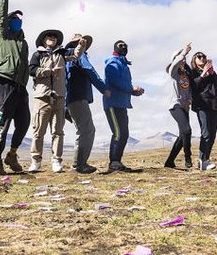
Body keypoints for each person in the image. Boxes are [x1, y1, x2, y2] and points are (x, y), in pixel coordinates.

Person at [27, 29, 86, 173]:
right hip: (42, 97)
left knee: (58, 132)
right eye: (49, 36)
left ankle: (56, 161)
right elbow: (31, 70)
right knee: (38, 131)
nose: (52, 38)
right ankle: (36, 161)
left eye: (54, 37)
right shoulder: (37, 54)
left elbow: (75, 55)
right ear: (43, 40)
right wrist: (48, 71)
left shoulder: (61, 53)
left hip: (59, 97)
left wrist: (81, 46)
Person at [0, 0, 30, 176]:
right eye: (14, 18)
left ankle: (12, 154)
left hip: (21, 86)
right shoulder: (4, 36)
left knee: (24, 122)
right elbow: (0, 16)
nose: (17, 21)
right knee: (3, 123)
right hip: (5, 83)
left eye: (19, 19)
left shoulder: (24, 43)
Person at [64, 35, 109, 174]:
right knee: (87, 130)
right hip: (78, 96)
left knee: (83, 130)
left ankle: (79, 163)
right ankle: (79, 164)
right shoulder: (78, 55)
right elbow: (90, 71)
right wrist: (104, 89)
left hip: (70, 98)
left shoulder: (67, 57)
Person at [102, 39, 145, 172]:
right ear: (115, 48)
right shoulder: (113, 62)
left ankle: (117, 162)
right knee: (118, 133)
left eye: (126, 46)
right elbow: (115, 81)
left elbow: (122, 85)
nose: (124, 47)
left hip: (122, 103)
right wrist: (132, 88)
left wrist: (133, 92)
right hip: (112, 103)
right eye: (121, 46)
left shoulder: (124, 64)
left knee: (124, 133)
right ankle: (114, 162)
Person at [189, 51, 217, 171]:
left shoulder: (212, 73)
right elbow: (194, 86)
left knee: (212, 135)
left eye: (204, 57)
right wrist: (203, 74)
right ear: (194, 60)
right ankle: (202, 160)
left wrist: (212, 73)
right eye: (199, 57)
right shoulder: (193, 73)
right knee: (206, 133)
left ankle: (206, 160)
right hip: (202, 105)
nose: (202, 59)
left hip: (214, 105)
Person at [163, 43, 195, 170]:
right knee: (187, 131)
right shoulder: (173, 73)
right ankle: (188, 157)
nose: (183, 61)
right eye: (180, 59)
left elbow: (189, 90)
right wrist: (183, 53)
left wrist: (190, 99)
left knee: (183, 136)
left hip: (185, 107)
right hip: (175, 106)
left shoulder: (185, 75)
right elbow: (175, 65)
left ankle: (170, 161)